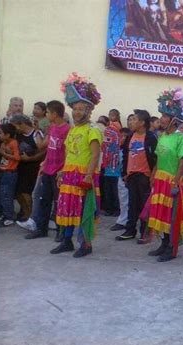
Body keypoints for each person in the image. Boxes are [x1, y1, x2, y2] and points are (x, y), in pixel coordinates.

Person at [50, 73, 102, 258]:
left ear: (88, 111)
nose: (77, 112)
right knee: (66, 208)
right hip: (69, 175)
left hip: (84, 176)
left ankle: (85, 244)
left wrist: (88, 175)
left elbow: (95, 154)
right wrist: (62, 171)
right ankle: (66, 241)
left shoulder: (93, 130)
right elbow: (69, 153)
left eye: (81, 109)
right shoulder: (73, 130)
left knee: (83, 210)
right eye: (75, 109)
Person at [147, 88, 183, 262]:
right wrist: (153, 175)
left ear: (173, 119)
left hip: (172, 181)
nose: (162, 119)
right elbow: (158, 158)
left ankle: (172, 248)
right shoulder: (162, 136)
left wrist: (175, 180)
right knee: (160, 213)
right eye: (162, 116)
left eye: (165, 116)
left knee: (171, 215)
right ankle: (163, 244)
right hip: (160, 179)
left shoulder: (181, 138)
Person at [23, 100, 70, 239]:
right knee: (44, 200)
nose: (47, 114)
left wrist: (64, 169)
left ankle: (60, 232)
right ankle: (41, 229)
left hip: (59, 171)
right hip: (48, 169)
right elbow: (44, 146)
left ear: (54, 114)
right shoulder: (52, 127)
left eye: (48, 112)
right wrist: (36, 132)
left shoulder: (67, 129)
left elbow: (68, 151)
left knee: (59, 202)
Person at [116, 109, 157, 241]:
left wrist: (152, 175)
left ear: (142, 122)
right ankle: (129, 230)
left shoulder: (150, 137)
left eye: (134, 119)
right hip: (131, 175)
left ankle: (145, 232)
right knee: (132, 204)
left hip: (144, 175)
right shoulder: (130, 136)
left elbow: (155, 158)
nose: (131, 122)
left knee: (145, 205)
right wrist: (124, 173)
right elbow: (126, 155)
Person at [10, 114, 45, 221]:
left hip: (32, 168)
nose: (14, 128)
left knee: (26, 192)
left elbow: (43, 152)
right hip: (20, 167)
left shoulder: (36, 134)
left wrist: (30, 159)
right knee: (18, 193)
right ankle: (26, 212)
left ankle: (30, 215)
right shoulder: (17, 134)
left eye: (15, 126)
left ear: (21, 124)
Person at [0, 123, 20, 227]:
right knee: (0, 194)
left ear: (7, 134)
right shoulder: (3, 142)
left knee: (6, 195)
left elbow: (17, 158)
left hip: (10, 173)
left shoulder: (13, 143)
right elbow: (0, 150)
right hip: (3, 171)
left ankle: (9, 217)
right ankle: (3, 214)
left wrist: (4, 153)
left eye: (0, 133)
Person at [110, 127, 132, 232]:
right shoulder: (119, 149)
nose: (122, 138)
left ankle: (124, 221)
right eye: (121, 136)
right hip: (120, 175)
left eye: (125, 136)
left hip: (127, 176)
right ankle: (124, 218)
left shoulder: (128, 150)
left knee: (126, 199)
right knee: (123, 199)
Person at [100, 117, 121, 216]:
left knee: (115, 191)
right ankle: (108, 208)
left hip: (116, 172)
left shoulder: (119, 149)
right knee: (108, 190)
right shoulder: (105, 148)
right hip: (107, 170)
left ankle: (116, 209)